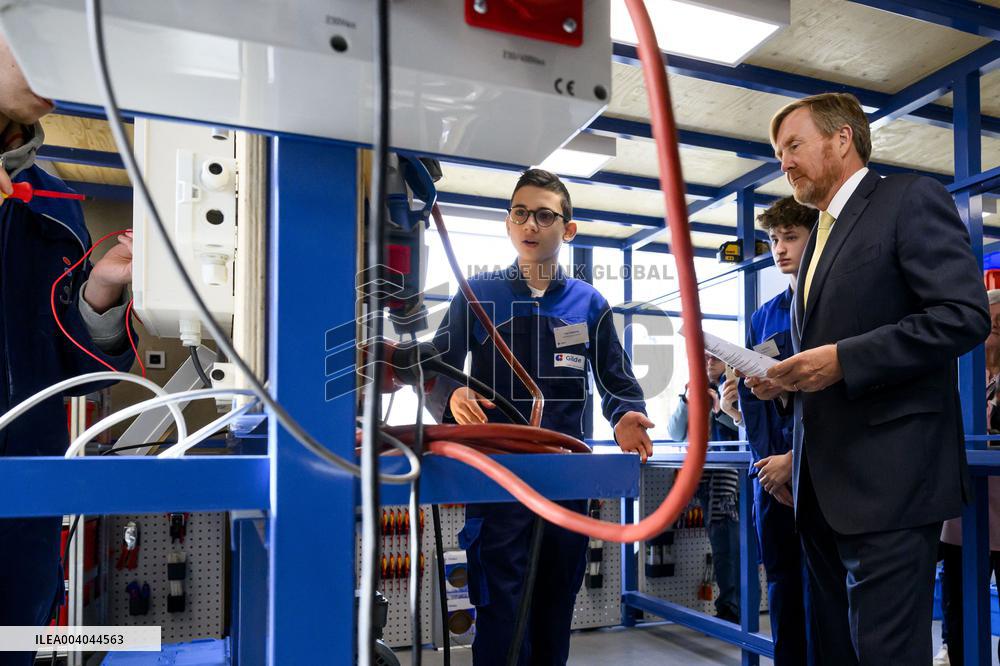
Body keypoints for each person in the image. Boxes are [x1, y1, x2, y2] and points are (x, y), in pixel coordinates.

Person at [747, 92, 989, 665]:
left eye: (793, 146)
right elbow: (827, 350)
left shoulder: (908, 200)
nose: (784, 162)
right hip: (822, 491)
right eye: (779, 153)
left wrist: (844, 360)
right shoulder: (819, 239)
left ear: (841, 139)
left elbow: (963, 315)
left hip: (891, 484)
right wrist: (786, 380)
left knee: (886, 653)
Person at [426, 168, 653, 665]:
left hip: (566, 480)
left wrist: (627, 415)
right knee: (500, 608)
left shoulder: (589, 303)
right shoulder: (476, 294)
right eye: (520, 213)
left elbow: (615, 378)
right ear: (508, 224)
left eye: (545, 215)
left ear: (567, 229)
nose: (531, 225)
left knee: (555, 601)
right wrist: (452, 392)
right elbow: (434, 366)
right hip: (497, 479)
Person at [0, 37, 136, 666]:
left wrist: (102, 293)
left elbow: (78, 379)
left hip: (19, 514)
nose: (57, 59)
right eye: (35, 33)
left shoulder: (51, 207)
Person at [735, 196, 816, 665]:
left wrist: (797, 463)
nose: (780, 249)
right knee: (783, 585)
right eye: (773, 239)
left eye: (791, 237)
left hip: (818, 471)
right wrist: (768, 466)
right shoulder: (765, 314)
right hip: (772, 476)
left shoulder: (831, 307)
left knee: (822, 591)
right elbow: (751, 392)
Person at [937, 289, 1000, 666]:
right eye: (990, 323)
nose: (994, 331)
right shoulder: (956, 374)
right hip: (962, 513)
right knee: (960, 605)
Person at [668, 351, 742, 623]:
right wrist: (687, 401)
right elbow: (674, 432)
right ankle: (731, 604)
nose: (708, 362)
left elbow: (743, 429)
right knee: (722, 542)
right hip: (701, 477)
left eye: (715, 358)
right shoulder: (694, 391)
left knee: (729, 544)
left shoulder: (735, 389)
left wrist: (719, 408)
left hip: (727, 478)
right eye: (705, 358)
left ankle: (732, 608)